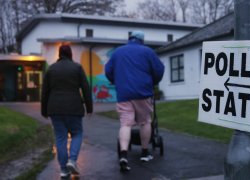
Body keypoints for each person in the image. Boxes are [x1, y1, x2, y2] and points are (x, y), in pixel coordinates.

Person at [105, 30, 164, 172]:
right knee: (145, 121)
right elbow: (159, 70)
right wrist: (153, 82)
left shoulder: (117, 52)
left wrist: (116, 80)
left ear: (130, 39)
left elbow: (108, 70)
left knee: (125, 123)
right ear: (141, 40)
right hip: (143, 92)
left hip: (124, 93)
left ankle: (124, 154)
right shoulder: (148, 51)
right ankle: (144, 152)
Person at [41, 45, 93, 178]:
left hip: (55, 109)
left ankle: (64, 169)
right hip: (74, 108)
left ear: (59, 54)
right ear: (70, 54)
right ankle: (72, 160)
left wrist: (44, 110)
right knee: (77, 133)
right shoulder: (77, 68)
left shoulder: (51, 69)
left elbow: (45, 91)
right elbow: (86, 89)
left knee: (60, 138)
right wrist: (89, 108)